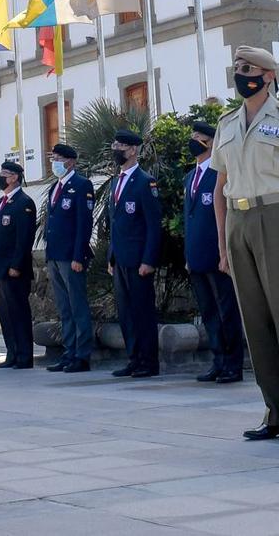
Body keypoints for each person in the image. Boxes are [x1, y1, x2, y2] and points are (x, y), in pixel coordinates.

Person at [210, 46, 279, 445]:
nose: (240, 74)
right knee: (254, 322)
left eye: (248, 68)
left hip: (275, 218)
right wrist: (223, 247)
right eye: (237, 68)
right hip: (238, 222)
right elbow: (219, 190)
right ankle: (274, 411)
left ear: (269, 75)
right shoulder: (226, 124)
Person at [183, 120, 244, 384]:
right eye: (193, 135)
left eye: (199, 136)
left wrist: (225, 252)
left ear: (211, 142)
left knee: (226, 310)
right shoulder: (190, 177)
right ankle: (218, 360)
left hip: (218, 255)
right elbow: (189, 218)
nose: (194, 139)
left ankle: (233, 364)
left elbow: (228, 215)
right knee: (208, 312)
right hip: (197, 256)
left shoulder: (221, 173)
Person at [106, 131, 161, 378]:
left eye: (121, 145)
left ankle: (148, 361)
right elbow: (114, 223)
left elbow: (152, 225)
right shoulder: (117, 182)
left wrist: (149, 260)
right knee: (126, 313)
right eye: (115, 144)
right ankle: (134, 358)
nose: (116, 149)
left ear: (133, 150)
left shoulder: (144, 182)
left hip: (139, 260)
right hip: (120, 259)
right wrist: (111, 256)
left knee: (142, 312)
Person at [42, 142, 96, 374]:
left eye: (59, 159)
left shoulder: (81, 185)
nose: (55, 163)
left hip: (70, 256)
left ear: (70, 162)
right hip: (55, 255)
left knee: (77, 306)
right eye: (53, 158)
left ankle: (82, 355)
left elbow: (84, 224)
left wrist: (78, 255)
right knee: (64, 308)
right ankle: (69, 352)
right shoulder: (56, 186)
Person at [0, 159, 38, 369]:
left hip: (13, 270)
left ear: (15, 177)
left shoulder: (24, 202)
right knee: (5, 314)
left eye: (4, 173)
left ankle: (24, 355)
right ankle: (12, 352)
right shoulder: (1, 202)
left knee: (18, 313)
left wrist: (16, 265)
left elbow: (24, 238)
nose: (1, 177)